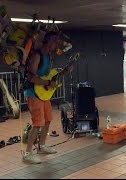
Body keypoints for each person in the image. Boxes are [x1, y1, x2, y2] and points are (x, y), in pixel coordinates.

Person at [23, 31, 72, 164]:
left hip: (43, 94)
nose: (57, 45)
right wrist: (48, 83)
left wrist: (64, 72)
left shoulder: (48, 56)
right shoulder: (37, 55)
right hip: (33, 94)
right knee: (37, 123)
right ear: (49, 41)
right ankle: (27, 153)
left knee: (48, 119)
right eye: (55, 42)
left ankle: (42, 146)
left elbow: (48, 76)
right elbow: (31, 77)